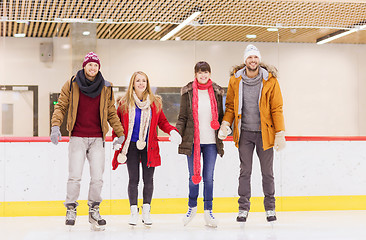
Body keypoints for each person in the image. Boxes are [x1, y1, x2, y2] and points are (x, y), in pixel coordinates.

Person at [50, 52, 125, 231]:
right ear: (84, 66)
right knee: (75, 176)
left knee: (97, 178)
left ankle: (94, 210)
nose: (93, 68)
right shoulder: (72, 84)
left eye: (96, 65)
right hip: (77, 136)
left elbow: (111, 112)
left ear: (99, 67)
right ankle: (71, 209)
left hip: (97, 138)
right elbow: (61, 106)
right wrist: (55, 126)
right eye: (90, 64)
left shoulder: (106, 87)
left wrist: (119, 133)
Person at [218, 44, 286, 223]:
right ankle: (243, 208)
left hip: (265, 134)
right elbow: (231, 106)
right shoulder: (235, 80)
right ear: (245, 60)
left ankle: (270, 208)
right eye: (250, 57)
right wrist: (226, 124)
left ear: (259, 60)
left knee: (267, 173)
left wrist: (280, 133)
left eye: (255, 57)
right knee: (245, 171)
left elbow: (277, 109)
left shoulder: (270, 80)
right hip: (245, 134)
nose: (253, 60)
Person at [111, 71, 182, 226]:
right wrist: (116, 138)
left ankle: (147, 211)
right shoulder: (124, 103)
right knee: (133, 180)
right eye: (138, 81)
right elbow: (117, 124)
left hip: (149, 147)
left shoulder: (154, 103)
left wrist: (172, 130)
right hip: (130, 148)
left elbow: (162, 122)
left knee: (148, 180)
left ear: (147, 84)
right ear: (133, 83)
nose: (141, 83)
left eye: (144, 81)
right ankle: (133, 212)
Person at [176, 61, 225, 228]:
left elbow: (222, 116)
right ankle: (191, 208)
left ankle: (208, 211)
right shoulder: (187, 92)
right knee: (193, 177)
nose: (203, 75)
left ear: (210, 74)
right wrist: (177, 132)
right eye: (200, 72)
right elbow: (182, 118)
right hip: (193, 141)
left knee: (209, 178)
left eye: (206, 72)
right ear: (195, 74)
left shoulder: (217, 92)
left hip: (211, 142)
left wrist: (225, 128)